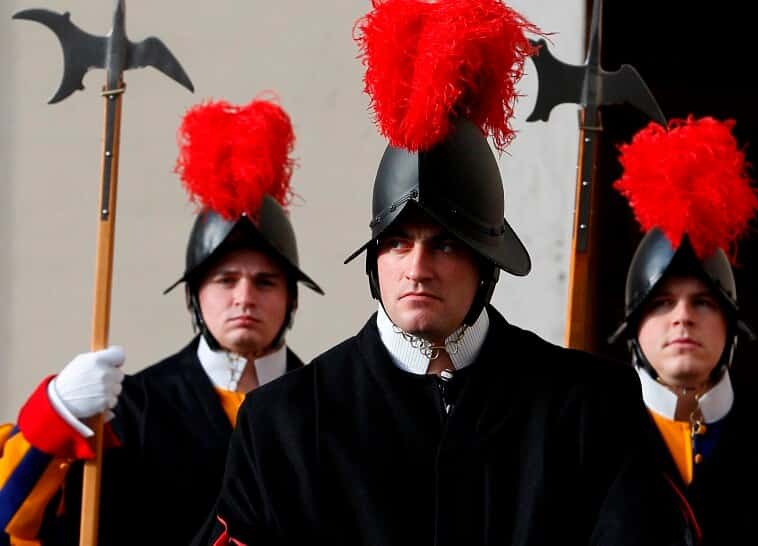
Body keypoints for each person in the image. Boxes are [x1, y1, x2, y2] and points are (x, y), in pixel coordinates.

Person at [192, 1, 694, 544]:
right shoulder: (282, 422)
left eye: (446, 247)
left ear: (486, 265)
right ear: (373, 258)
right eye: (398, 243)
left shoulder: (590, 404)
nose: (417, 268)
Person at [0, 96, 323, 546]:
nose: (244, 298)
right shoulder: (132, 409)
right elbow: (13, 520)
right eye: (226, 280)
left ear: (290, 298)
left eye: (266, 282)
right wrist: (56, 416)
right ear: (196, 294)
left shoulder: (328, 405)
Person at [609, 116, 758, 545]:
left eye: (703, 301)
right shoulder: (591, 436)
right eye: (661, 303)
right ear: (634, 327)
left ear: (731, 325)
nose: (683, 317)